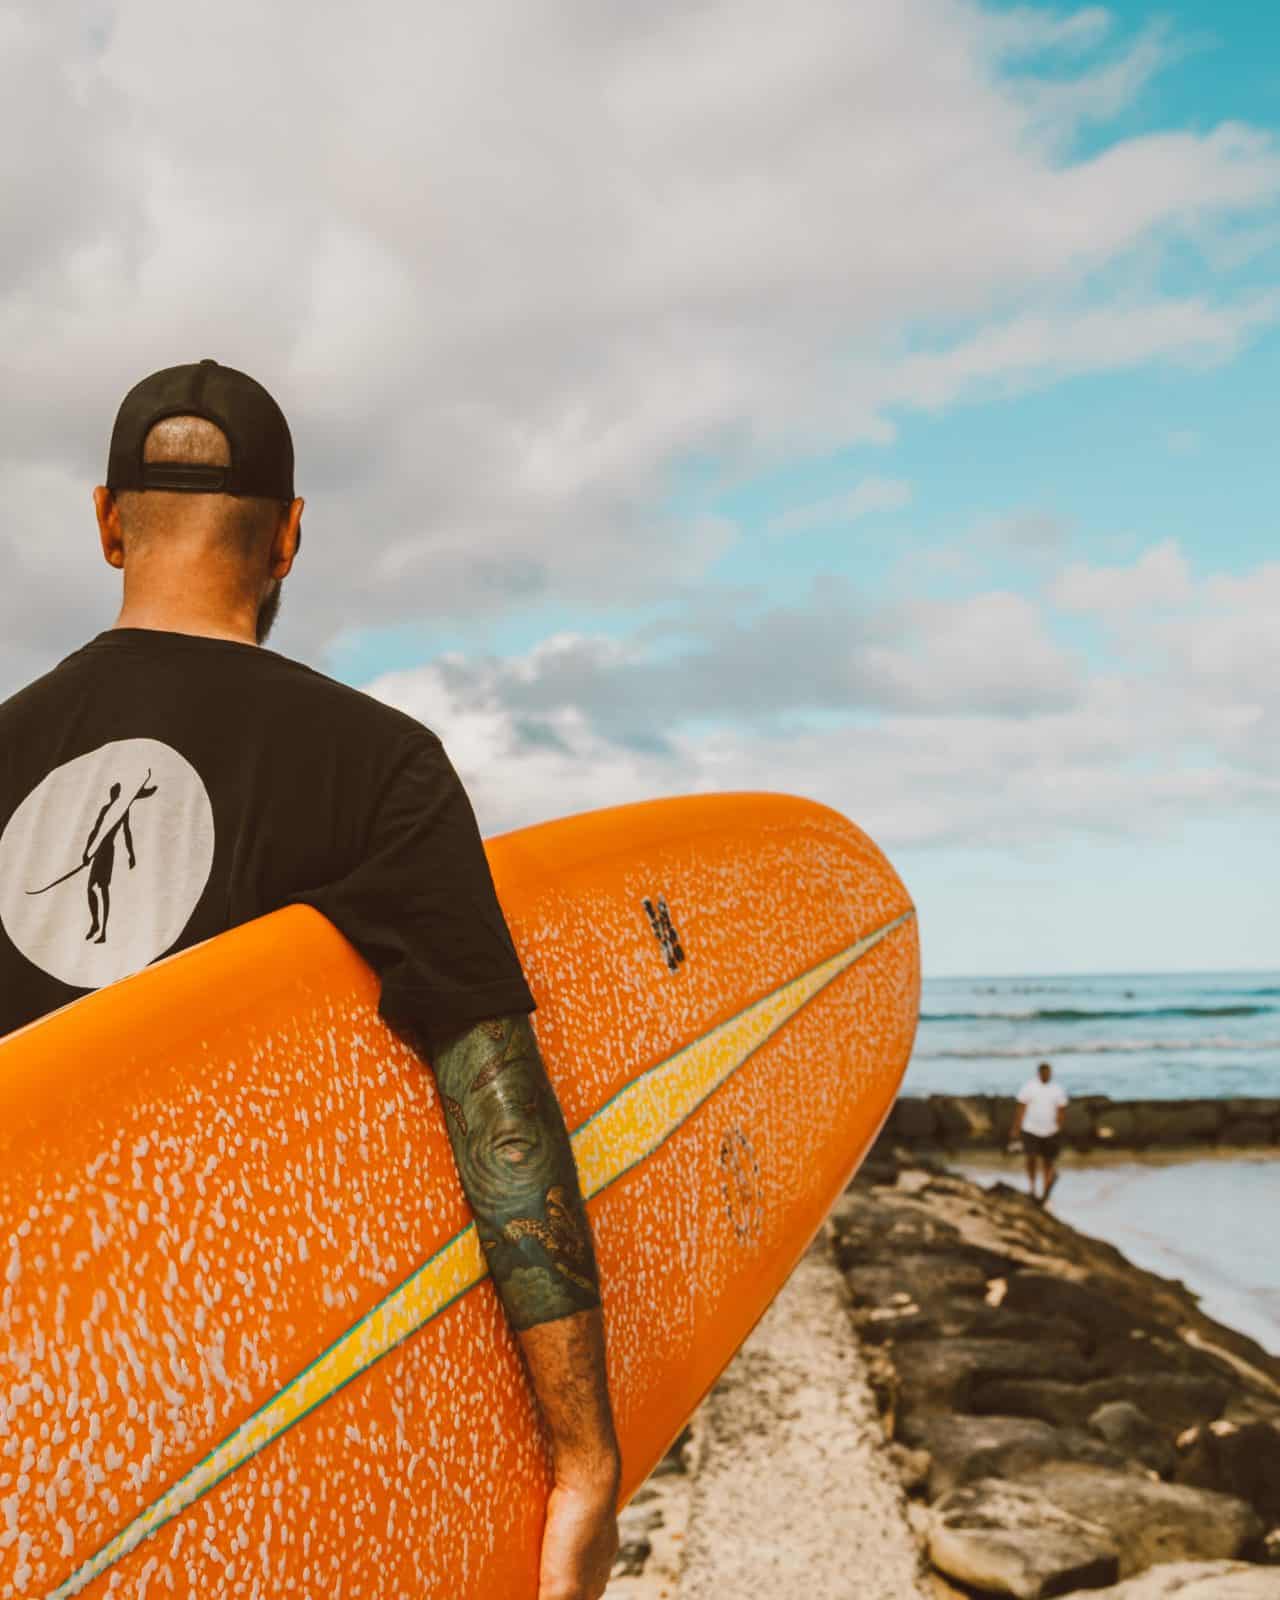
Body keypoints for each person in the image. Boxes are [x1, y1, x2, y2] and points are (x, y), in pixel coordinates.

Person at [0, 359, 620, 1600]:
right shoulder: (378, 767)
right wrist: (580, 1459)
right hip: (256, 1437)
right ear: (289, 534)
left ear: (106, 519)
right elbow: (494, 1107)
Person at [1008, 1060, 1068, 1206]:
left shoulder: (1057, 1089)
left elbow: (1061, 1111)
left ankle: (1045, 1190)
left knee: (1048, 1162)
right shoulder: (1029, 1087)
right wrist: (1016, 1128)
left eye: (1049, 1073)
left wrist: (1059, 1128)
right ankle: (1032, 1188)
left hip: (1050, 1131)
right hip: (1030, 1129)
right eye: (1044, 1072)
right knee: (1031, 1159)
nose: (1047, 1075)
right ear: (1039, 1073)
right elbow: (1021, 1108)